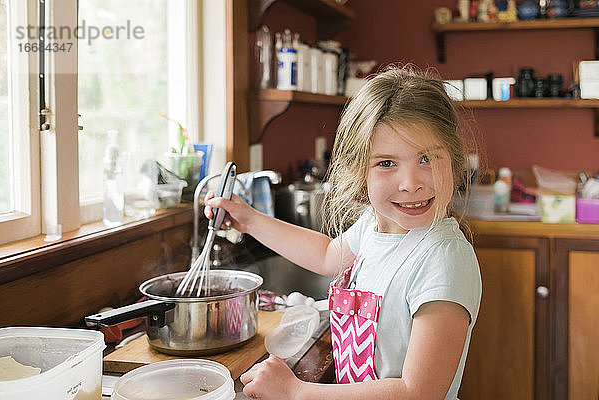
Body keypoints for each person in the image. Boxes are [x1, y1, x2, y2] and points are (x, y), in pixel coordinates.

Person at [204, 66, 482, 400]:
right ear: (359, 170)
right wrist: (248, 220)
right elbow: (326, 255)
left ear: (453, 158)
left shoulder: (443, 259)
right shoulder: (374, 224)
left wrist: (296, 392)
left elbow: (418, 391)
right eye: (386, 163)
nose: (411, 183)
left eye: (426, 158)